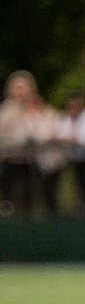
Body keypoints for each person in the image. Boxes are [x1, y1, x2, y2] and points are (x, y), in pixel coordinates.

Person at [0, 70, 44, 217]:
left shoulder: (36, 108)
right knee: (8, 192)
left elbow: (41, 131)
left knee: (29, 194)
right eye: (17, 87)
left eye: (23, 87)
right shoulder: (6, 109)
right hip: (10, 156)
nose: (20, 91)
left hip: (30, 158)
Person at [56, 92, 85, 216]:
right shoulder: (67, 117)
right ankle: (80, 211)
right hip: (74, 158)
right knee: (77, 187)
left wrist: (71, 138)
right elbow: (60, 133)